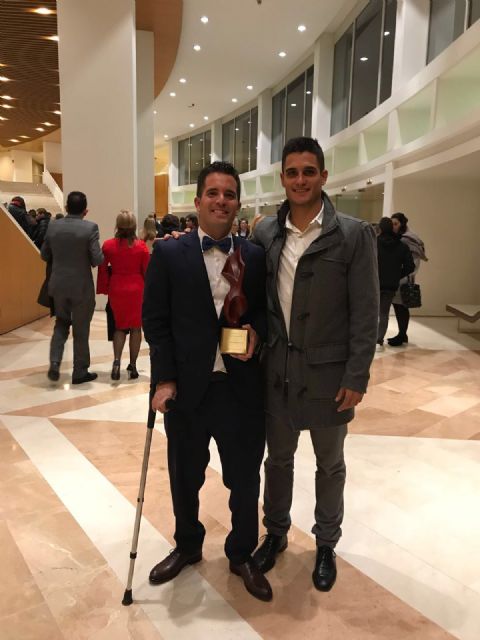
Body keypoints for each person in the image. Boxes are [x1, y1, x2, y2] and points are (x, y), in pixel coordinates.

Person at [251, 137, 379, 592]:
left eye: (309, 171)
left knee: (330, 464)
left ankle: (326, 543)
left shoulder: (353, 235)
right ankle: (276, 533)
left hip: (330, 376)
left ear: (324, 176)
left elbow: (366, 311)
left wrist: (357, 374)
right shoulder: (266, 233)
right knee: (277, 460)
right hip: (278, 372)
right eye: (292, 172)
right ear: (283, 178)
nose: (300, 180)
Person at [142, 161, 272, 602]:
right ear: (198, 201)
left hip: (241, 389)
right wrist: (164, 380)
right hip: (186, 391)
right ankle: (187, 545)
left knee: (245, 478)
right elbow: (156, 321)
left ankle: (241, 553)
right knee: (184, 476)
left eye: (229, 194)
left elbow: (267, 313)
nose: (221, 201)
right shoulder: (168, 254)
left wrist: (258, 333)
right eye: (213, 193)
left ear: (238, 203)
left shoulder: (254, 256)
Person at [41, 191, 103, 384]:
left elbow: (44, 255)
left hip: (58, 285)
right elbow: (97, 259)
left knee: (61, 324)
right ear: (86, 210)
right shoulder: (90, 228)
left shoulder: (53, 226)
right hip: (81, 288)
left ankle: (55, 362)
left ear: (66, 207)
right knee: (81, 329)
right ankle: (80, 371)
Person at [97, 211, 150, 380]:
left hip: (117, 288)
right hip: (137, 288)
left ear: (117, 225)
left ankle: (116, 361)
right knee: (136, 328)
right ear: (134, 226)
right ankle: (133, 366)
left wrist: (104, 287)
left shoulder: (108, 245)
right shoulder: (141, 246)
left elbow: (102, 269)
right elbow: (147, 271)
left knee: (119, 327)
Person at [388, 212, 428, 346]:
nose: (393, 226)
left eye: (396, 224)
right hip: (399, 277)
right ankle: (402, 334)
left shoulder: (408, 239)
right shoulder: (401, 238)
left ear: (402, 224)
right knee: (398, 306)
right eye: (392, 224)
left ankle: (402, 334)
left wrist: (404, 275)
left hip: (404, 278)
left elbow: (414, 262)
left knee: (401, 307)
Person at [376, 217, 415, 346]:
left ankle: (370, 338)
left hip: (374, 283)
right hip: (391, 285)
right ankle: (379, 340)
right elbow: (410, 266)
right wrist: (397, 275)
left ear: (380, 229)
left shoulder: (373, 244)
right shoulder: (402, 246)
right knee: (384, 313)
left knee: (371, 312)